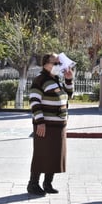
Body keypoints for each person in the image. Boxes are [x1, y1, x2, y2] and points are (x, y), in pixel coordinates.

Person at [27, 53, 74, 196]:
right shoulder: (40, 80)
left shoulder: (56, 80)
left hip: (59, 126)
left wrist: (68, 80)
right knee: (42, 155)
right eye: (56, 63)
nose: (58, 66)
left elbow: (68, 95)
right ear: (46, 64)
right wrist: (40, 122)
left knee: (55, 155)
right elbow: (34, 102)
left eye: (59, 64)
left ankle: (48, 183)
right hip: (45, 126)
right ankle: (33, 184)